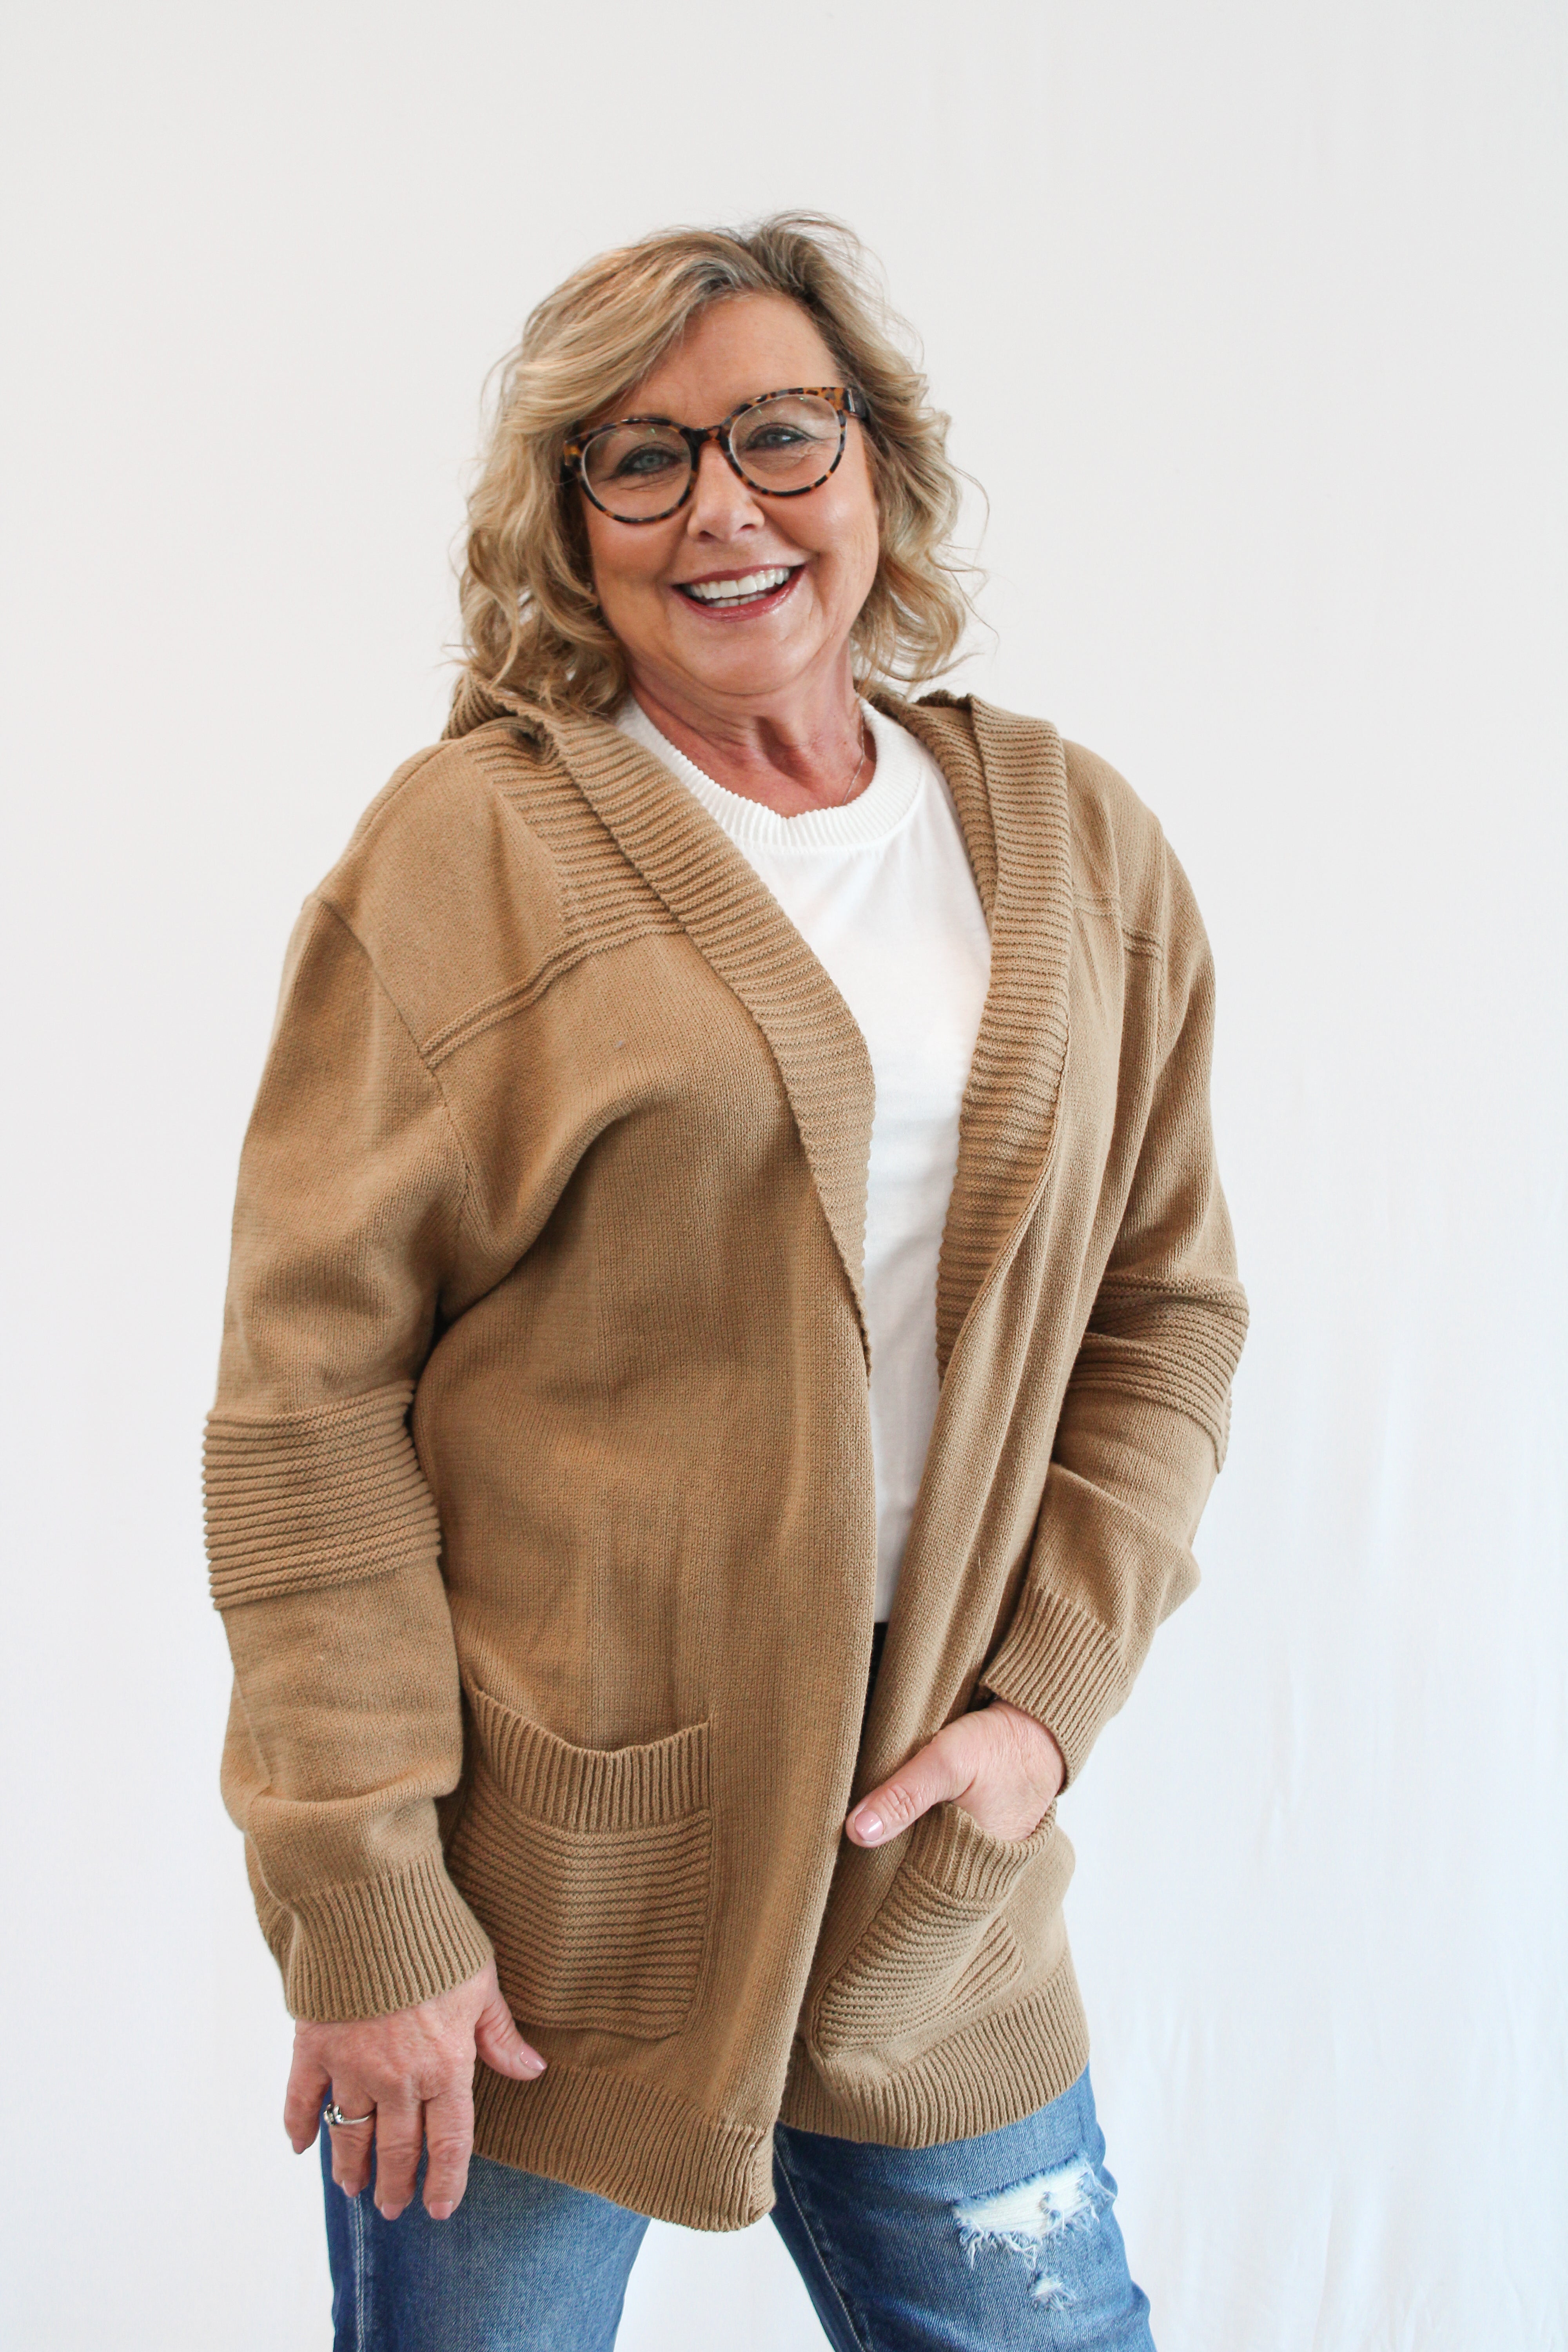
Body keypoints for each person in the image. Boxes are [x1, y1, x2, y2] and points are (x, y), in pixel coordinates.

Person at [205, 214, 1247, 2350]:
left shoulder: (1080, 845)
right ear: (570, 519)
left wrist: (1045, 1708)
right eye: (644, 458)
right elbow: (307, 1408)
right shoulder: (468, 854)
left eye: (782, 433)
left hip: (936, 1895)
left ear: (877, 462)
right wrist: (366, 1899)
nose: (725, 510)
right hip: (537, 1907)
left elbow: (1165, 1315)